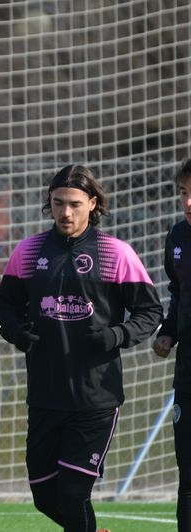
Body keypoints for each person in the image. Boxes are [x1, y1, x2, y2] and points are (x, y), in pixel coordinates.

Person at [0, 164, 163, 532]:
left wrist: (117, 335)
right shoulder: (28, 251)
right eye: (57, 203)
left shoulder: (115, 253)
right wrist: (16, 332)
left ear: (93, 203)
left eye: (74, 203)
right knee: (44, 497)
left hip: (95, 399)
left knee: (73, 492)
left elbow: (150, 311)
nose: (65, 212)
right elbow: (5, 305)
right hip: (44, 395)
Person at [153, 158, 191, 532]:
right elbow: (177, 293)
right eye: (183, 193)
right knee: (188, 470)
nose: (188, 203)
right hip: (188, 374)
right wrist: (169, 330)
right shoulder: (177, 237)